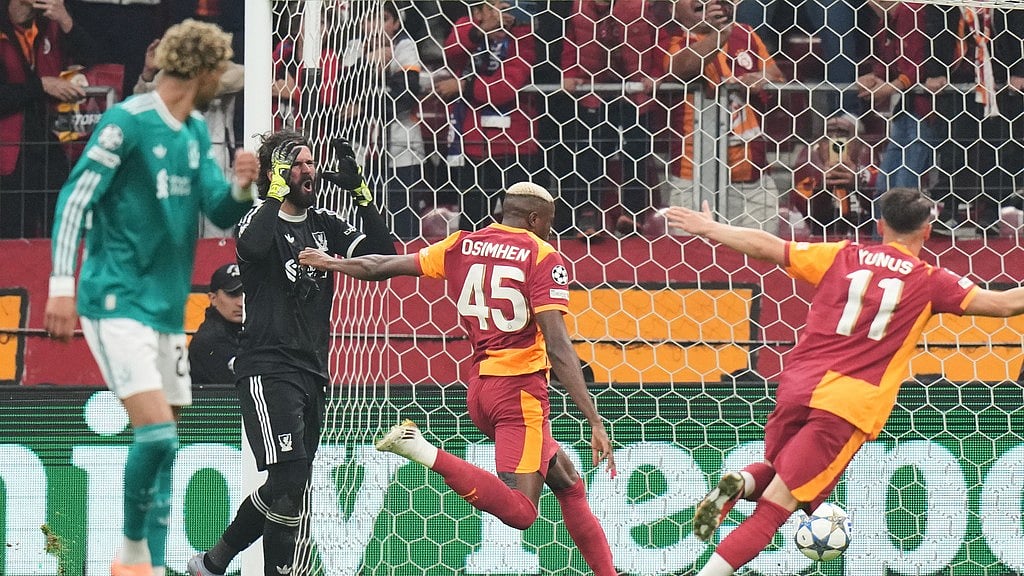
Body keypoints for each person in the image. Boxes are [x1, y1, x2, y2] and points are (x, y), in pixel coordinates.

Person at [664, 187, 1024, 576]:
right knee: (776, 509)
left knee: (776, 467)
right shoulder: (930, 280)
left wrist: (710, 228)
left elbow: (769, 247)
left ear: (880, 225)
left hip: (798, 384)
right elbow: (1004, 304)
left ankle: (744, 482)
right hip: (847, 403)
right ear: (927, 230)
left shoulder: (842, 255)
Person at [297, 181, 619, 575]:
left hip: (480, 389)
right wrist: (594, 420)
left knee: (568, 483)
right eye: (550, 223)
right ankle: (421, 450)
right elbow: (558, 345)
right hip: (519, 394)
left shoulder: (462, 244)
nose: (550, 232)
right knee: (522, 512)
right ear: (536, 219)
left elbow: (381, 265)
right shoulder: (541, 255)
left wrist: (331, 263)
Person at [43, 19, 258, 576]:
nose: (224, 84)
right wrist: (61, 286)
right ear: (202, 72)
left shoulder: (193, 131)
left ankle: (152, 565)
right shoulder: (128, 122)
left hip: (164, 312)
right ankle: (133, 556)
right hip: (116, 299)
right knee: (158, 435)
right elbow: (74, 201)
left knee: (166, 444)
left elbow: (217, 208)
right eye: (221, 74)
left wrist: (240, 186)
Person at [187, 128, 396, 576]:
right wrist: (274, 192)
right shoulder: (256, 218)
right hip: (267, 367)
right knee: (290, 476)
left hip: (312, 370)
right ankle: (227, 564)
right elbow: (252, 247)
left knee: (292, 486)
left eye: (310, 162)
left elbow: (383, 256)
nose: (309, 170)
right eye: (297, 163)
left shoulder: (324, 224)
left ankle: (212, 564)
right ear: (276, 172)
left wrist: (361, 194)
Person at [662, 0, 786, 234]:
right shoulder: (670, 39)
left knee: (761, 256)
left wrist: (762, 78)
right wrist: (719, 35)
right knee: (692, 256)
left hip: (753, 180)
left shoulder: (745, 34)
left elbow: (777, 77)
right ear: (672, 9)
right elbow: (680, 69)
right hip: (693, 180)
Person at [434, 0, 541, 232]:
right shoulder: (467, 29)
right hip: (473, 145)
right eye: (495, 8)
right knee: (472, 225)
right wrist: (481, 31)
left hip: (514, 145)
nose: (501, 15)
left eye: (506, 8)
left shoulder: (522, 35)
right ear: (478, 12)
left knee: (519, 226)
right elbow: (451, 50)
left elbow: (505, 87)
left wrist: (464, 86)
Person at [560, 0, 662, 237]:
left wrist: (657, 74)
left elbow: (659, 41)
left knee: (636, 151)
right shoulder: (580, 9)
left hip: (635, 92)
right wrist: (569, 73)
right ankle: (588, 218)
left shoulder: (640, 6)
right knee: (591, 154)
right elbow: (571, 42)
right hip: (597, 92)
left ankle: (633, 215)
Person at [0, 0, 98, 238]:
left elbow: (93, 60)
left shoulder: (52, 20)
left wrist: (66, 21)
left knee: (60, 228)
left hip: (53, 143)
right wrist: (42, 86)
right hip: (9, 151)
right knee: (12, 234)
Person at [926, 5, 1024, 237]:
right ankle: (949, 210)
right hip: (957, 83)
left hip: (1000, 83)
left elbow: (1019, 30)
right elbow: (934, 32)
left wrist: (1020, 70)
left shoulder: (1010, 3)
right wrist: (934, 71)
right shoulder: (944, 3)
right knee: (953, 148)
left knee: (997, 148)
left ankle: (991, 213)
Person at [339, 1, 426, 240]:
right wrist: (368, 62)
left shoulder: (405, 46)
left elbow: (405, 97)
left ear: (396, 23)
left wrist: (362, 107)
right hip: (360, 150)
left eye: (383, 18)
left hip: (401, 149)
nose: (375, 26)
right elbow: (343, 95)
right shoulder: (354, 47)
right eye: (370, 18)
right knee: (359, 221)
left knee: (403, 223)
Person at [855, 0, 935, 195]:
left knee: (903, 185)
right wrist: (875, 78)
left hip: (924, 108)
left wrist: (889, 88)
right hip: (905, 108)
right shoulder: (886, 22)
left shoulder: (910, 11)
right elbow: (889, 63)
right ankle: (885, 216)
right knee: (886, 187)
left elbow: (918, 65)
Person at [789, 113, 877, 238]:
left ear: (859, 143)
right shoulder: (809, 174)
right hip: (824, 244)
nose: (835, 143)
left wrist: (858, 186)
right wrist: (824, 188)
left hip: (867, 244)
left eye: (843, 136)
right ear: (819, 145)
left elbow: (885, 208)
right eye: (828, 137)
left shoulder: (872, 172)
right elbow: (809, 215)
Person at [188, 263, 243, 386]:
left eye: (246, 294)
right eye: (232, 294)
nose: (240, 303)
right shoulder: (207, 341)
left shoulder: (259, 332)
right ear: (213, 298)